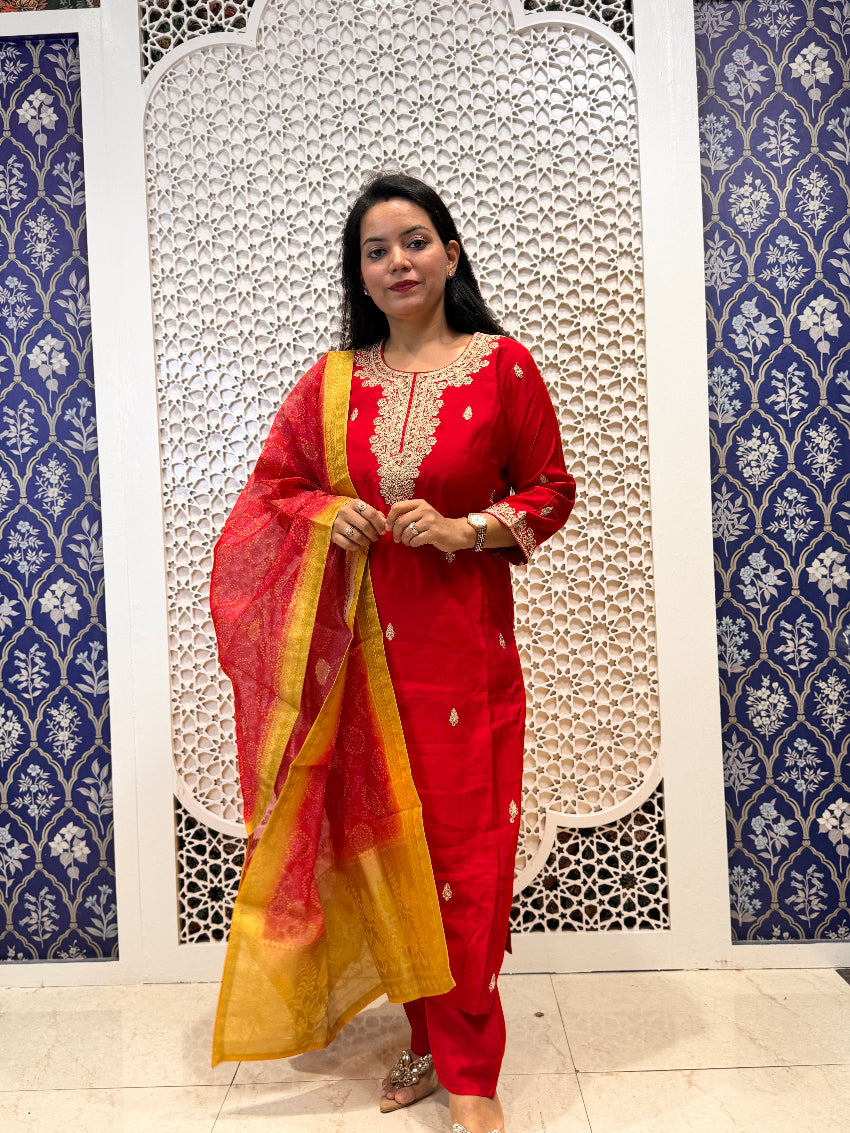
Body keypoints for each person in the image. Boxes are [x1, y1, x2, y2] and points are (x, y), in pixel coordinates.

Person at [209, 172, 575, 1133]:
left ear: (450, 253)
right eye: (377, 251)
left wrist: (471, 530)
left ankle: (471, 1070)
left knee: (466, 858)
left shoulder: (503, 368)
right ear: (361, 275)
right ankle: (425, 1035)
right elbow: (273, 489)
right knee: (390, 858)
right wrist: (331, 513)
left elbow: (550, 490)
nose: (398, 262)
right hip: (365, 667)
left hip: (465, 659)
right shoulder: (334, 383)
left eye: (414, 241)